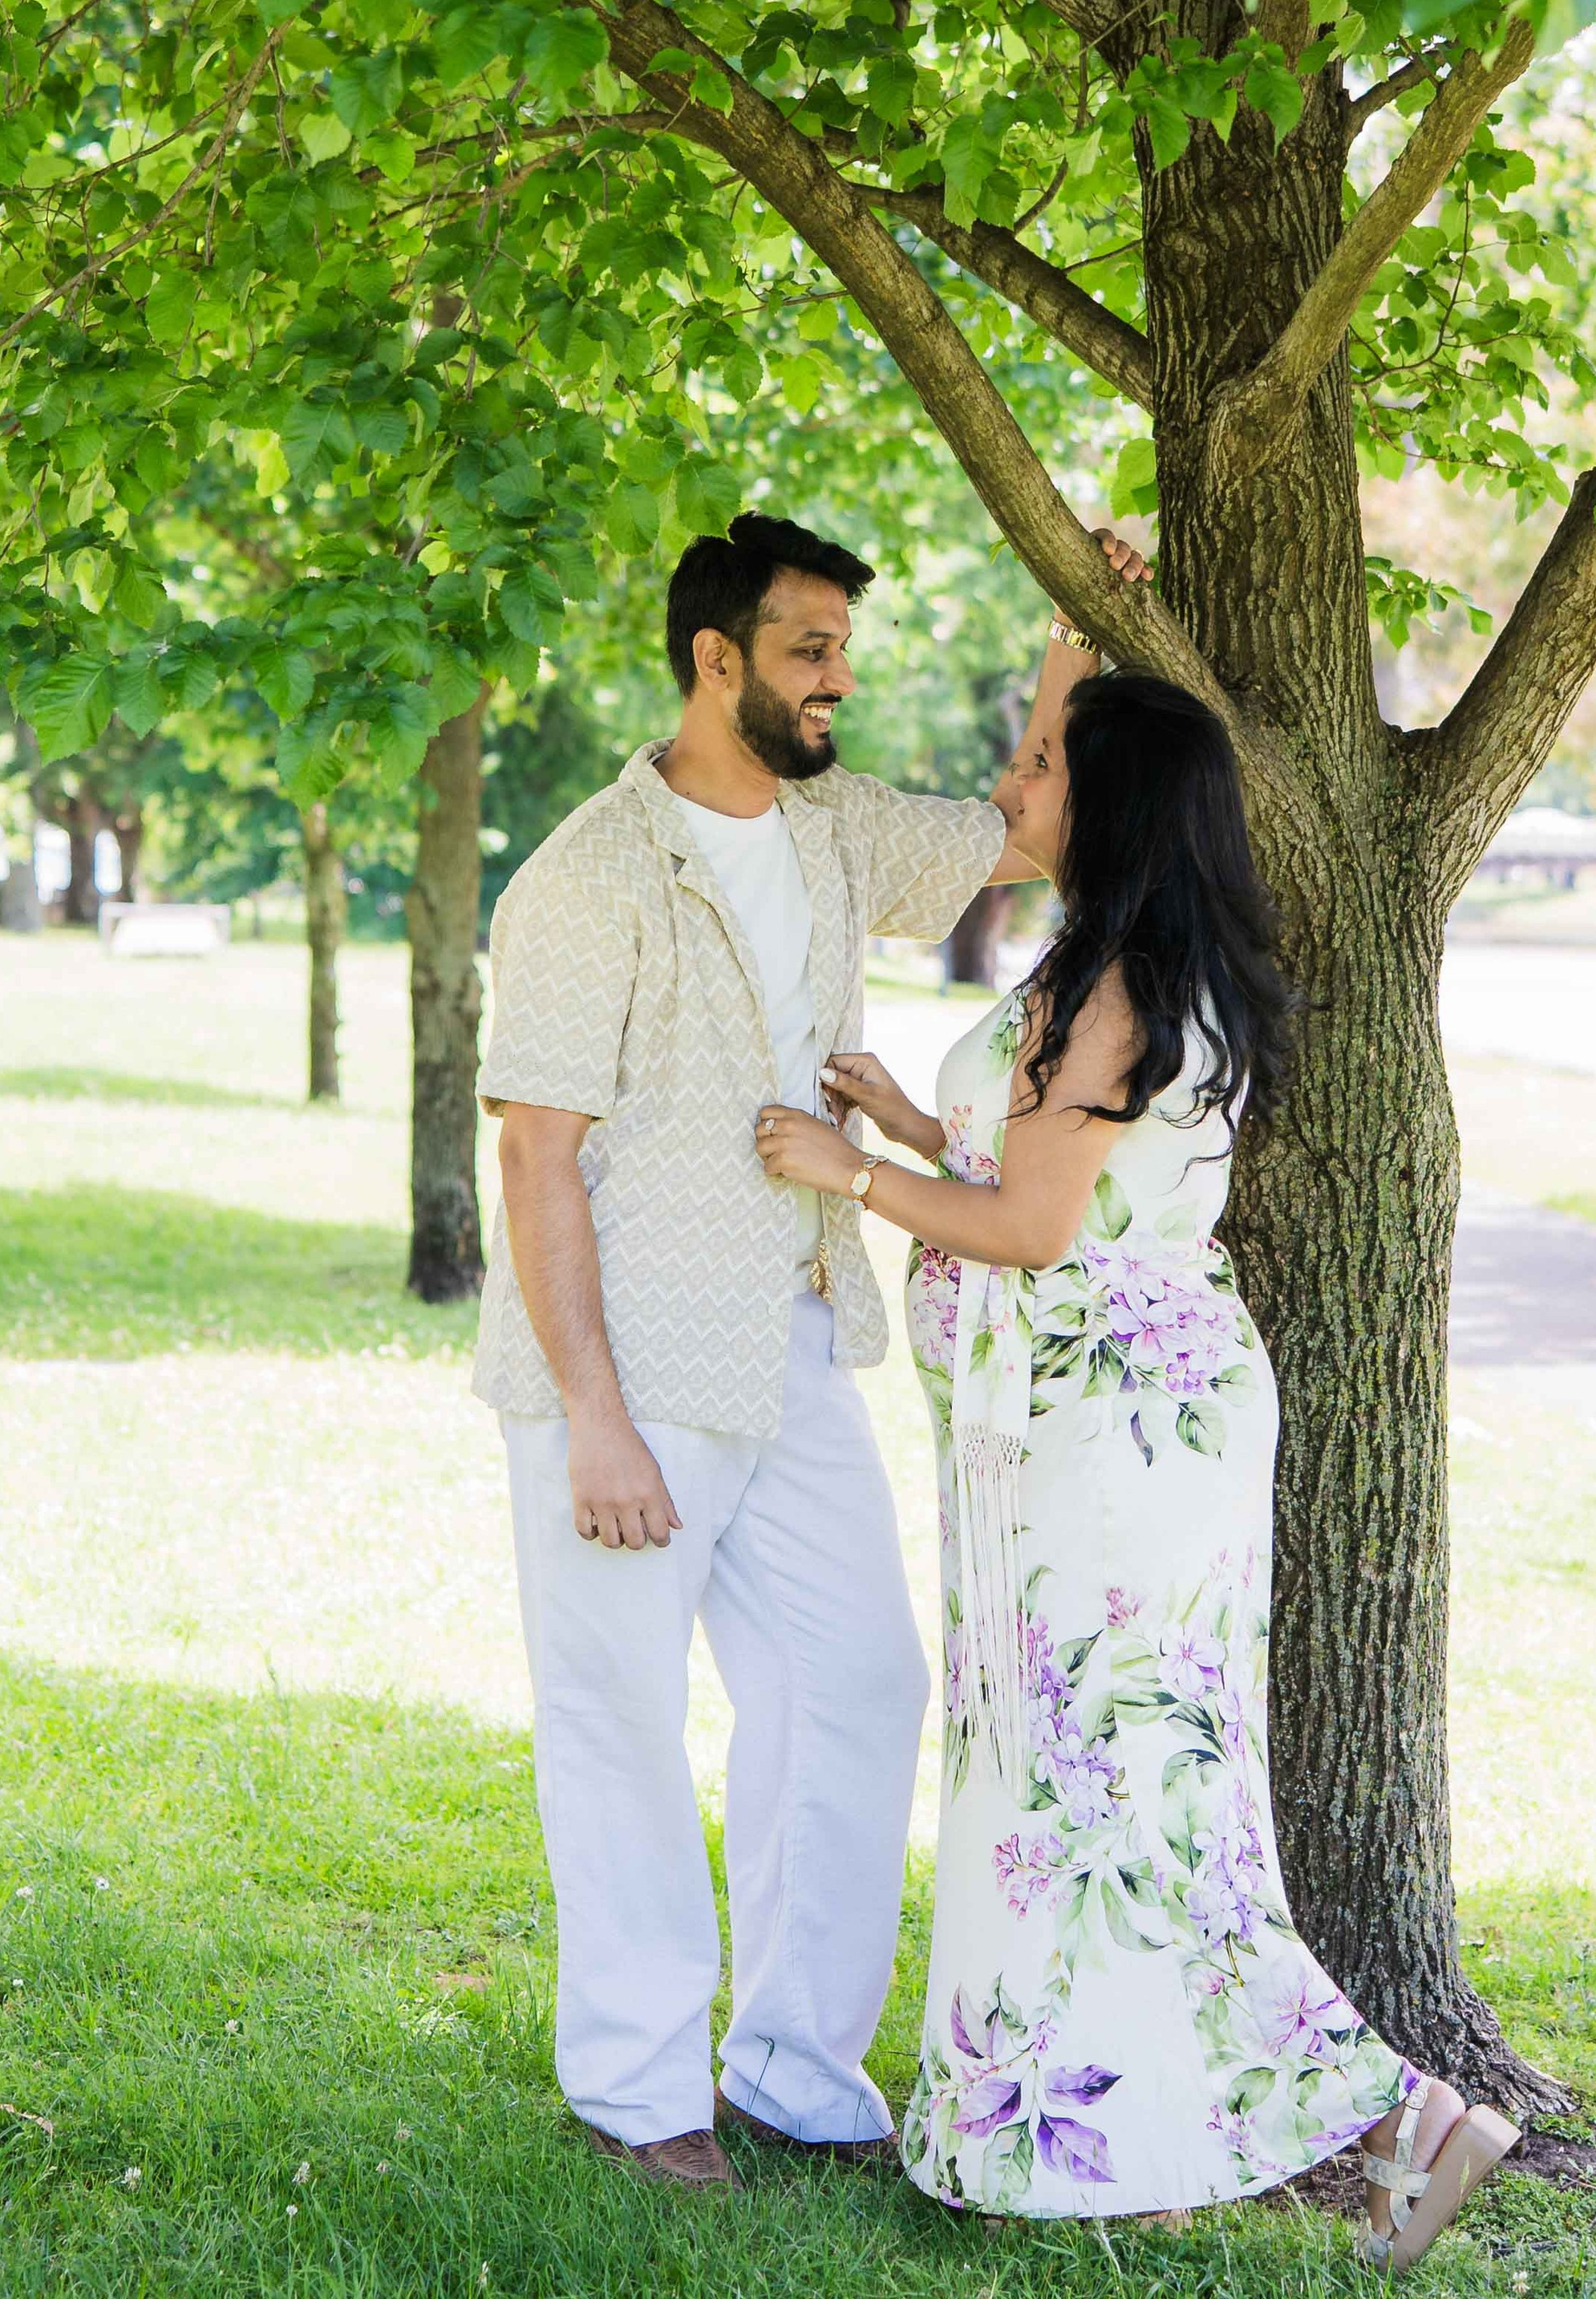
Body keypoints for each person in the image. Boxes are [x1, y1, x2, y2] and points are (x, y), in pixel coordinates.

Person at [757, 671, 1520, 2272]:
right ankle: (1133, 2139)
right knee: (1106, 1789)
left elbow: (1034, 1232)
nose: (1008, 779)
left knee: (1109, 1796)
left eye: (1036, 762)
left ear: (1099, 809)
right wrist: (911, 1118)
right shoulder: (1112, 961)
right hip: (1090, 1434)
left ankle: (1392, 2108)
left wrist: (857, 1173)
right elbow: (1056, 1176)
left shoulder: (1105, 983)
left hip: (1101, 1446)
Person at [473, 509, 1148, 2194]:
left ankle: (790, 2065)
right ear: (715, 662)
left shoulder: (838, 826)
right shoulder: (587, 874)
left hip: (790, 1331)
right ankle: (639, 2092)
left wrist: (1077, 630)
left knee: (854, 1680)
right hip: (620, 1364)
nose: (838, 679)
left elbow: (1014, 828)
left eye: (841, 647)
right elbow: (533, 1157)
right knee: (616, 1711)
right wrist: (593, 1418)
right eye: (807, 649)